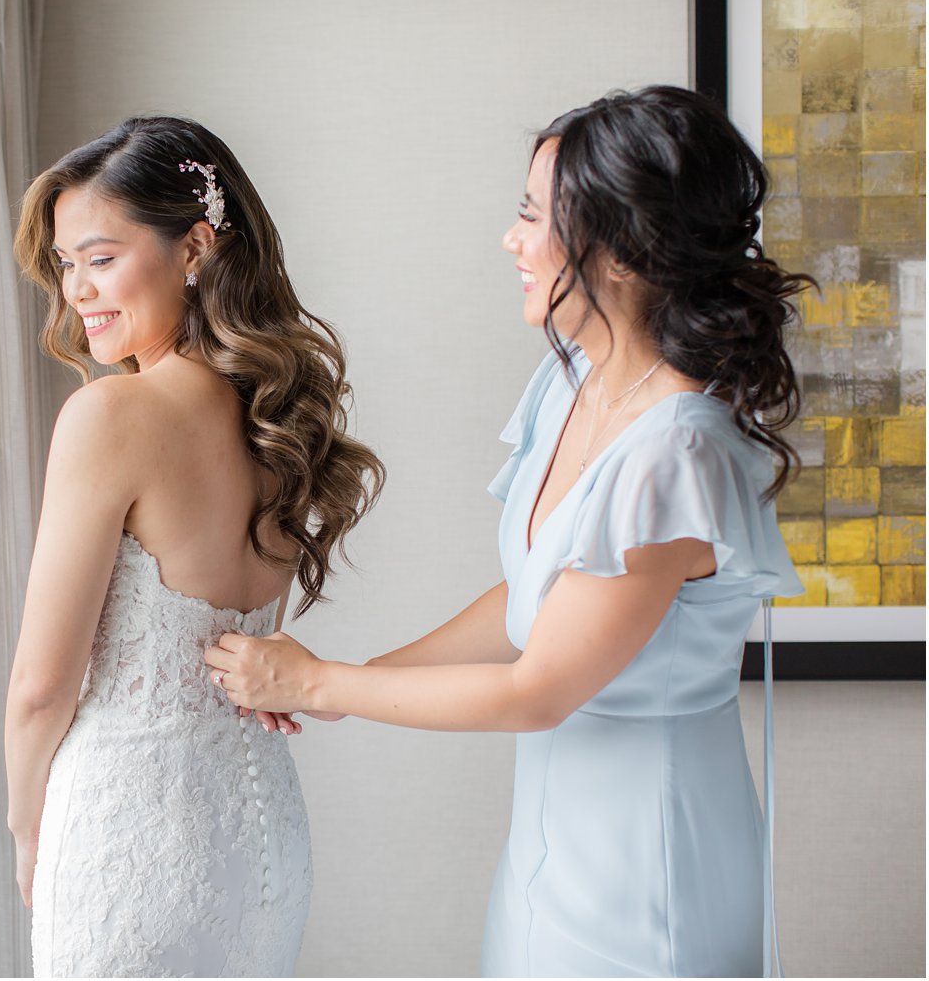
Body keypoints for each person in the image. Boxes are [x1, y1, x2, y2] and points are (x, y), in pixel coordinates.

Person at [205, 85, 810, 977]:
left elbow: (539, 688)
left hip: (650, 872)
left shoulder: (677, 451)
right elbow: (528, 599)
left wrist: (325, 684)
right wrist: (359, 678)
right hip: (549, 856)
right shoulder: (575, 381)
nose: (512, 239)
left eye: (534, 215)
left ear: (624, 244)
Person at [4, 116, 384, 977]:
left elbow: (40, 687)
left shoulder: (110, 415)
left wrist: (30, 824)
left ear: (196, 246)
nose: (76, 294)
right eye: (66, 266)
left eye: (100, 259)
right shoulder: (280, 421)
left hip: (126, 838)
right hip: (261, 848)